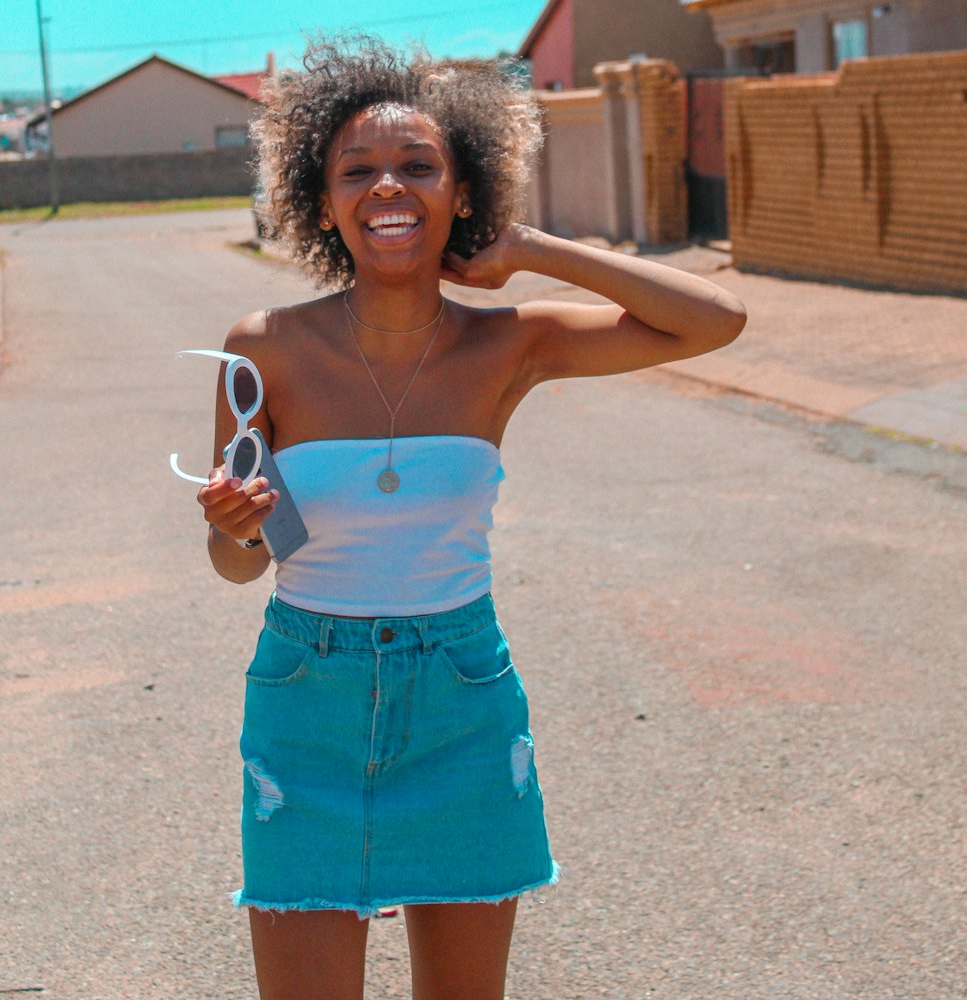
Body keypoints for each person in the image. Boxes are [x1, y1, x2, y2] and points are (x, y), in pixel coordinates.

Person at [195, 35, 746, 1000]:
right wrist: (237, 525)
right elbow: (239, 563)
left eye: (419, 167)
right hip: (304, 698)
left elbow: (714, 320)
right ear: (321, 201)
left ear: (462, 192)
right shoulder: (262, 350)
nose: (387, 188)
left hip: (461, 695)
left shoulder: (513, 343)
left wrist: (529, 249)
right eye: (355, 170)